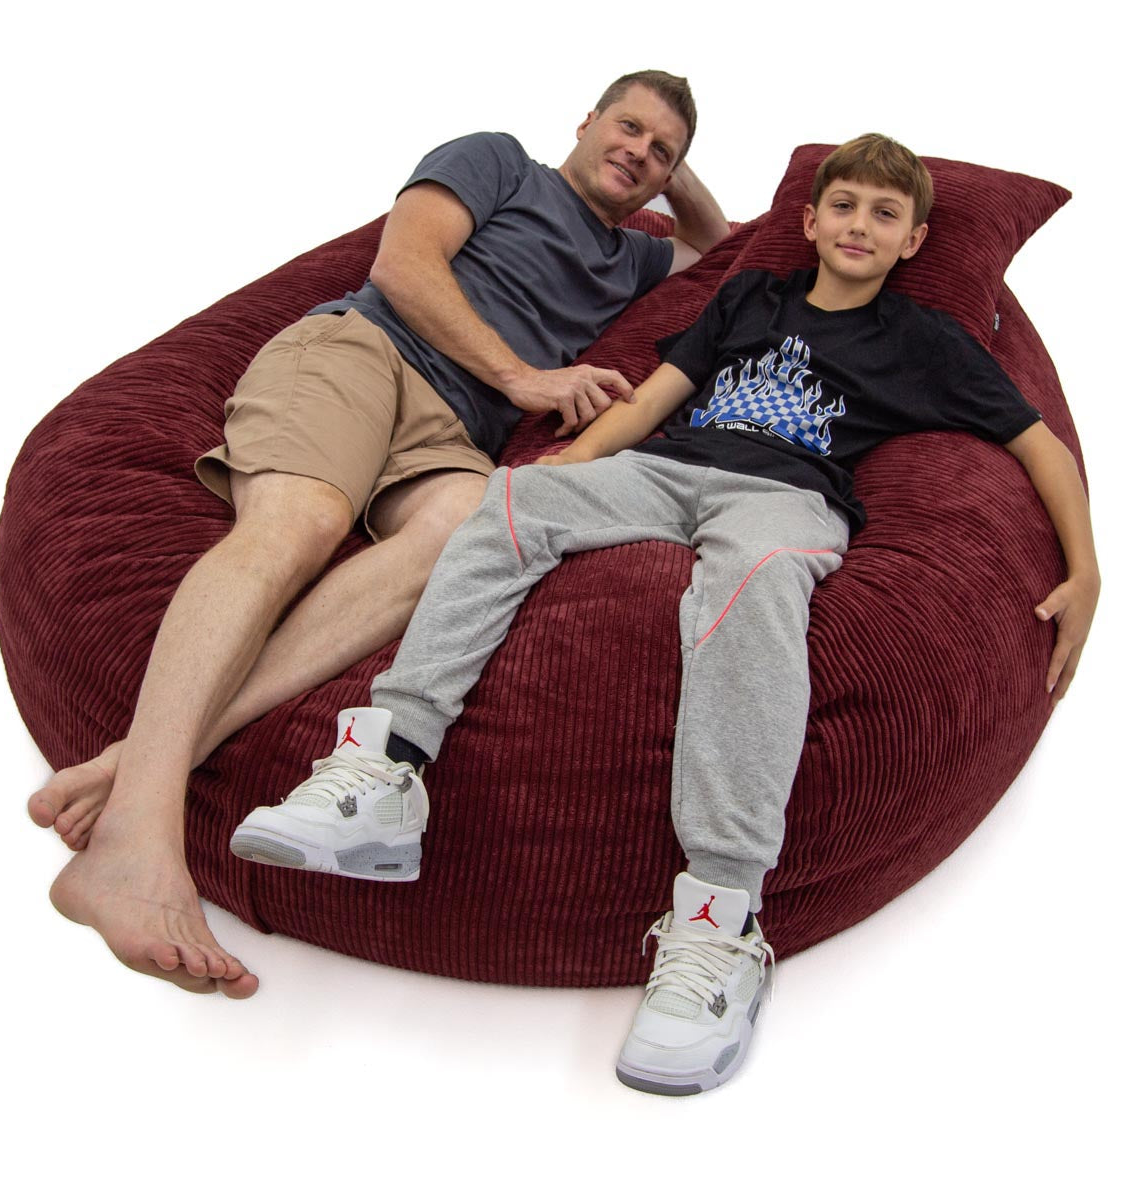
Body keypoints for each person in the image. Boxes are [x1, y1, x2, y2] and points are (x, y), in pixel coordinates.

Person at [231, 134, 1099, 1091]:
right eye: (843, 206)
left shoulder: (924, 340)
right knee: (509, 503)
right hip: (670, 470)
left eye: (884, 215)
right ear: (806, 224)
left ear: (913, 240)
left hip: (785, 501)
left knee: (754, 585)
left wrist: (1089, 567)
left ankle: (720, 921)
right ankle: (387, 767)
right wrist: (567, 466)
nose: (859, 225)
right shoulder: (750, 298)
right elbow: (655, 402)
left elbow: (1042, 448)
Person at [26, 71, 732, 998]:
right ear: (585, 120)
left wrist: (672, 173)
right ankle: (136, 841)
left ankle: (135, 762)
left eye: (661, 150)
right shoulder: (498, 162)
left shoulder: (634, 262)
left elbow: (722, 251)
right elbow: (405, 267)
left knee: (473, 529)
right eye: (627, 127)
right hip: (365, 353)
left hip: (448, 437)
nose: (638, 151)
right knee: (302, 525)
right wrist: (525, 379)